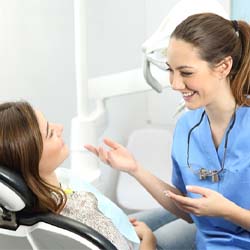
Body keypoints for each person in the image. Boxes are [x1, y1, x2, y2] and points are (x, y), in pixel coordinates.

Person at [85, 12, 250, 249]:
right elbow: (186, 209)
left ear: (224, 66)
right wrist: (135, 169)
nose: (175, 84)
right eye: (170, 70)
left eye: (186, 73)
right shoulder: (187, 127)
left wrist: (228, 211)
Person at [0, 101, 156, 250]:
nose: (60, 128)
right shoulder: (80, 214)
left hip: (119, 232)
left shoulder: (24, 212)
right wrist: (149, 239)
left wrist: (109, 224)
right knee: (179, 218)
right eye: (50, 133)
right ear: (32, 159)